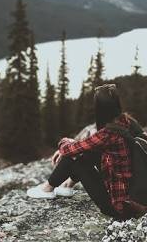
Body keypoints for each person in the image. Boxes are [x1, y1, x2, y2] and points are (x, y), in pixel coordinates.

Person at [27, 83, 135, 220]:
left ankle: (47, 188)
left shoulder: (108, 133)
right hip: (127, 195)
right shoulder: (125, 121)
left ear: (101, 110)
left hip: (116, 207)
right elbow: (87, 146)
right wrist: (73, 145)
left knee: (75, 161)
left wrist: (64, 142)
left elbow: (68, 150)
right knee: (87, 151)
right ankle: (66, 185)